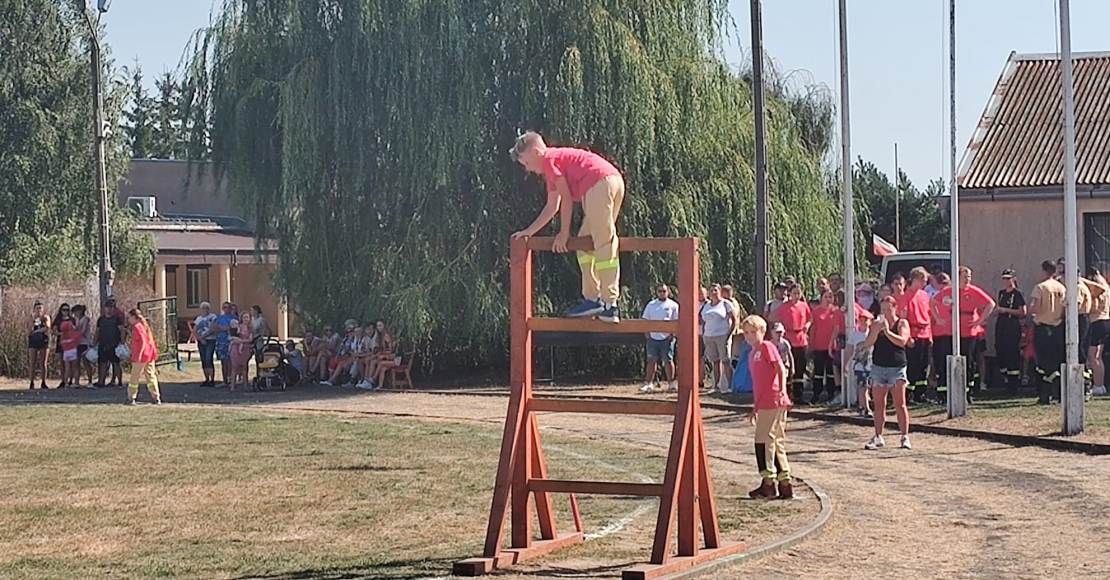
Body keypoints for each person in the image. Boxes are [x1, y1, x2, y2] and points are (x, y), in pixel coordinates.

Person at [510, 131, 626, 323]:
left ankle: (609, 304)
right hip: (612, 180)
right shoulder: (555, 162)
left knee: (604, 242)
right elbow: (552, 206)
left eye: (527, 163)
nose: (528, 169)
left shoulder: (549, 160)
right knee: (585, 245)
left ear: (536, 152)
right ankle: (593, 299)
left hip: (598, 183)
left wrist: (564, 234)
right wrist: (529, 231)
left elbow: (566, 199)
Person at [741, 315, 794, 500]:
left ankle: (768, 481)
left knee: (763, 440)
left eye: (753, 332)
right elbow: (759, 382)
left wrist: (781, 390)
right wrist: (755, 406)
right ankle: (784, 482)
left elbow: (779, 367)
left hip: (773, 399)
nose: (749, 336)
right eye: (746, 333)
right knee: (775, 439)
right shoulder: (752, 353)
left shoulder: (766, 347)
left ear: (762, 332)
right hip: (764, 401)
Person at [863, 296, 913, 450]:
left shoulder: (902, 323)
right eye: (882, 309)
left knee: (900, 403)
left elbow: (902, 341)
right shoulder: (877, 324)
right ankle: (878, 436)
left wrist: (887, 331)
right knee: (879, 404)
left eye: (888, 309)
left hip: (896, 367)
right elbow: (868, 343)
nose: (885, 312)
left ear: (894, 308)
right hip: (879, 367)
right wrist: (875, 330)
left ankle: (904, 436)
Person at [1030, 260, 1067, 405]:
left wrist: (1033, 311)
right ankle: (1058, 393)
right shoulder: (1061, 287)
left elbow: (1035, 308)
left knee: (1043, 363)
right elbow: (1064, 308)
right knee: (1056, 361)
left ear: (1044, 271)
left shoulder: (1040, 287)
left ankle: (1044, 395)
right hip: (1057, 327)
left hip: (1042, 327)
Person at [897, 267, 933, 403]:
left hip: (924, 333)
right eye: (923, 280)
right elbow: (903, 318)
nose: (925, 283)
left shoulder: (924, 295)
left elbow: (928, 316)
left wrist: (930, 336)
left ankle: (920, 393)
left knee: (924, 365)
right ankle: (908, 394)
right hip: (913, 333)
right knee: (912, 365)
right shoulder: (906, 296)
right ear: (915, 279)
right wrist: (908, 337)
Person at [776, 285, 811, 404]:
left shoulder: (804, 305)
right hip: (789, 339)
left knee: (800, 367)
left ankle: (798, 395)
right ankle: (786, 394)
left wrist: (807, 325)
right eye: (794, 293)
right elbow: (776, 320)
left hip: (801, 338)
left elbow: (810, 318)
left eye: (798, 293)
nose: (796, 295)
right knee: (789, 367)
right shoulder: (784, 307)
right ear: (789, 294)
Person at [641, 284, 679, 393]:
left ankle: (671, 383)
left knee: (668, 360)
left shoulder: (673, 305)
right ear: (656, 292)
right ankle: (649, 383)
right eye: (660, 291)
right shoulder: (651, 304)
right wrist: (647, 333)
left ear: (668, 292)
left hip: (667, 338)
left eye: (664, 291)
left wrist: (672, 334)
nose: (662, 293)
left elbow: (676, 321)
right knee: (651, 361)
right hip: (653, 338)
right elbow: (645, 320)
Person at [700, 284, 737, 393]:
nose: (713, 292)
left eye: (715, 290)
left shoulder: (725, 304)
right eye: (711, 290)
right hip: (709, 336)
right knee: (715, 361)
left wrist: (728, 334)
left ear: (720, 291)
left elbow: (734, 319)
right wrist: (704, 333)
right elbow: (703, 320)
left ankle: (729, 386)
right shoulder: (706, 305)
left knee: (725, 361)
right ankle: (716, 386)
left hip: (722, 335)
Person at [995, 269, 1027, 393]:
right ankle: (1005, 378)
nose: (1006, 281)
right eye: (1004, 278)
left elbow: (1023, 312)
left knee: (1012, 352)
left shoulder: (1017, 294)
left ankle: (1013, 383)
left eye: (1008, 278)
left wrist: (1006, 310)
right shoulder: (1001, 293)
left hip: (1012, 324)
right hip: (1001, 324)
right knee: (1000, 350)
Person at [808, 290, 841, 403]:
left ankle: (831, 394)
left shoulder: (835, 311)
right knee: (818, 372)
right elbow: (813, 329)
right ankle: (816, 394)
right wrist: (811, 345)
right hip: (819, 345)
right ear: (821, 298)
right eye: (825, 296)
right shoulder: (816, 312)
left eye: (830, 297)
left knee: (831, 371)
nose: (828, 299)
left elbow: (837, 328)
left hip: (832, 346)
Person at [843, 306, 875, 417]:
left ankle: (862, 406)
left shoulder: (872, 334)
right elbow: (849, 350)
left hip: (872, 364)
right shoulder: (854, 335)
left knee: (868, 387)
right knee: (863, 386)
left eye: (866, 320)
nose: (863, 322)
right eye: (861, 320)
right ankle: (866, 408)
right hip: (859, 366)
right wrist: (846, 364)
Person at [126, 308, 161, 405]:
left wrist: (139, 355)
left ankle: (131, 397)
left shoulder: (137, 327)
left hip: (141, 356)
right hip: (149, 355)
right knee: (151, 376)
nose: (128, 320)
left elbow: (142, 342)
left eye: (129, 317)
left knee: (134, 378)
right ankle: (156, 397)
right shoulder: (144, 326)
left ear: (134, 317)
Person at [1085, 267, 1110, 396]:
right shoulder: (1106, 288)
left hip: (1097, 322)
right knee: (1098, 356)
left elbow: (1093, 307)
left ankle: (1098, 385)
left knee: (1093, 356)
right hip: (1106, 320)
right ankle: (1100, 385)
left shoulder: (1097, 290)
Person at [930, 272, 954, 400]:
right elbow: (931, 308)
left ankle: (947, 392)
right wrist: (938, 319)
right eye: (943, 284)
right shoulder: (937, 296)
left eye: (946, 283)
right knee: (940, 365)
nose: (945, 286)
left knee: (947, 364)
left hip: (951, 334)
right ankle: (942, 394)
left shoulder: (952, 295)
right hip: (939, 334)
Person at [94, 299, 126, 388]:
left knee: (116, 363)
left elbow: (122, 330)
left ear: (113, 309)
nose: (109, 309)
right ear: (104, 308)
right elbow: (97, 331)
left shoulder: (117, 319)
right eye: (107, 307)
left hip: (114, 344)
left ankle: (119, 382)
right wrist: (94, 342)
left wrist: (122, 342)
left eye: (111, 307)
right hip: (103, 344)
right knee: (102, 363)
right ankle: (101, 382)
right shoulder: (101, 319)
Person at [27, 301, 51, 390]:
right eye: (37, 308)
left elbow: (47, 327)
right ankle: (31, 382)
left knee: (43, 362)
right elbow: (29, 330)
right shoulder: (32, 317)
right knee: (32, 362)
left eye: (40, 308)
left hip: (43, 340)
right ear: (34, 309)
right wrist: (33, 321)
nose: (39, 310)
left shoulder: (46, 317)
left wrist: (37, 331)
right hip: (33, 340)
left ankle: (43, 382)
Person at [194, 302, 218, 387]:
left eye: (206, 308)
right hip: (201, 342)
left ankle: (212, 379)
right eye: (203, 308)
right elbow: (195, 330)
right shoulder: (198, 319)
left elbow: (212, 329)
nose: (205, 309)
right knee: (203, 359)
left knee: (208, 358)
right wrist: (200, 339)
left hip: (210, 340)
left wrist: (203, 336)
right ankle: (206, 379)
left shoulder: (213, 317)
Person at [214, 302, 237, 387]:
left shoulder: (234, 318)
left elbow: (233, 329)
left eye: (228, 307)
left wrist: (224, 328)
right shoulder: (219, 318)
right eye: (224, 307)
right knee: (223, 361)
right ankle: (224, 380)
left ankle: (231, 379)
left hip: (230, 342)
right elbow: (215, 328)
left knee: (230, 361)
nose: (226, 309)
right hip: (221, 342)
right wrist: (222, 328)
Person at [229, 313, 254, 391]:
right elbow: (232, 336)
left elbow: (250, 339)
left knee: (244, 367)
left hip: (245, 349)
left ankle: (245, 385)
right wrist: (237, 340)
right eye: (244, 317)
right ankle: (232, 386)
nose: (245, 319)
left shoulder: (250, 329)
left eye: (247, 317)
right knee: (234, 367)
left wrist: (241, 341)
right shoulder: (238, 326)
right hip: (235, 348)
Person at [72, 305, 94, 386]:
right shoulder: (76, 319)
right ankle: (76, 382)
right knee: (76, 362)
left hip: (85, 343)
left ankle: (90, 381)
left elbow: (83, 330)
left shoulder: (85, 319)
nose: (75, 313)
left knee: (86, 362)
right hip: (78, 343)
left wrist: (75, 332)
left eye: (76, 311)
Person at [51, 303, 72, 388]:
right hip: (60, 342)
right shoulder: (58, 320)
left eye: (67, 310)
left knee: (68, 363)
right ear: (61, 310)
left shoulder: (72, 319)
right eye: (64, 310)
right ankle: (63, 380)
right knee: (62, 363)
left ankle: (69, 380)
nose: (65, 311)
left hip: (69, 343)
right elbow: (54, 331)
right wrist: (62, 334)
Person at [59, 314, 81, 388]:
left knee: (67, 368)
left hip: (66, 352)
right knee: (75, 367)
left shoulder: (63, 336)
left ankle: (66, 383)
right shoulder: (72, 333)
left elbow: (61, 343)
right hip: (73, 350)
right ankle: (76, 382)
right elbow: (79, 336)